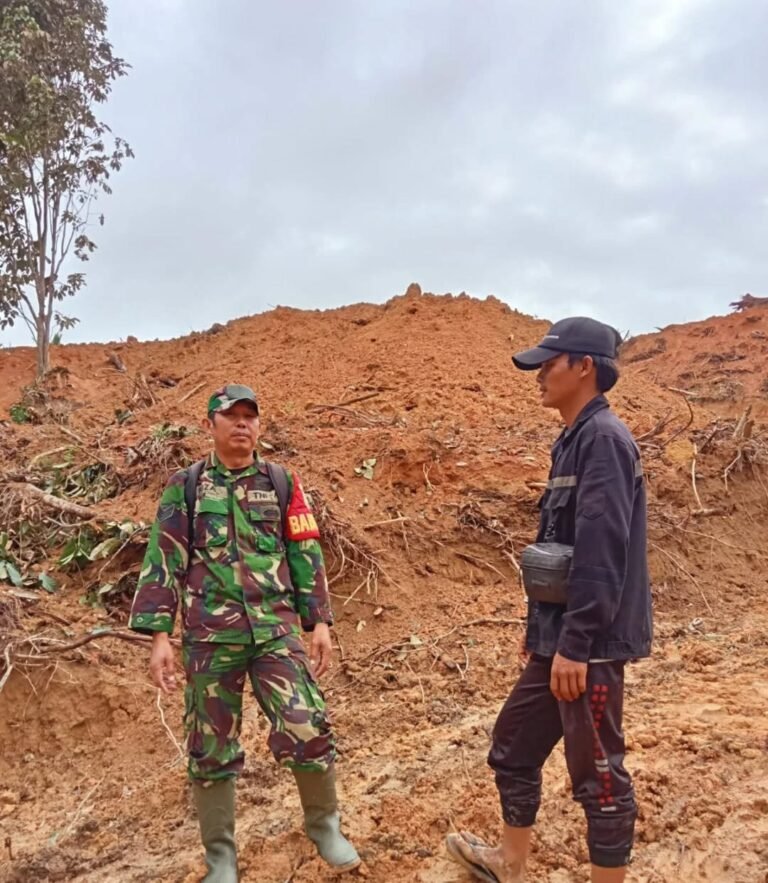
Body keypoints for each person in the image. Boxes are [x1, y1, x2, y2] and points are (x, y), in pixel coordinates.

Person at [446, 318, 652, 883]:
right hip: (560, 639)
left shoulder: (605, 440)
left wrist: (577, 645)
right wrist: (542, 634)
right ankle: (509, 867)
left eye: (549, 363)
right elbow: (560, 551)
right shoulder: (574, 438)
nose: (538, 374)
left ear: (584, 367)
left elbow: (602, 550)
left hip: (590, 645)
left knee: (599, 776)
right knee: (513, 746)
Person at [129, 383, 360, 881]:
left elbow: (305, 551)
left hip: (275, 633)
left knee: (306, 724)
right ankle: (221, 857)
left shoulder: (281, 481)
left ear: (259, 424)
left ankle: (325, 827)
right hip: (211, 638)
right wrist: (159, 636)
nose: (242, 424)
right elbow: (162, 561)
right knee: (210, 747)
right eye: (230, 416)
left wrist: (317, 621)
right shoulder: (186, 486)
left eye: (250, 416)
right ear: (210, 425)